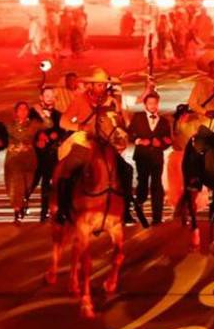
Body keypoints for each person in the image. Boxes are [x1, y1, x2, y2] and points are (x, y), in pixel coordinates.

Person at [58, 68, 136, 225]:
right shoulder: (80, 100)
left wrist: (120, 117)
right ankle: (63, 209)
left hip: (105, 141)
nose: (102, 87)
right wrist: (80, 127)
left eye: (104, 85)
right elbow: (63, 122)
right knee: (68, 170)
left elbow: (120, 123)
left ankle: (125, 210)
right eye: (98, 84)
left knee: (126, 170)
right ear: (91, 85)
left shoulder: (111, 101)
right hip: (84, 140)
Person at [127, 91, 173, 224]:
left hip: (157, 157)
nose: (153, 106)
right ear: (145, 104)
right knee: (142, 183)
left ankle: (157, 217)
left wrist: (162, 144)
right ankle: (139, 205)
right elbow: (130, 134)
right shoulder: (138, 117)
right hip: (142, 156)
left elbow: (168, 140)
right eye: (150, 103)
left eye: (155, 103)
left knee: (156, 185)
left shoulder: (164, 121)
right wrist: (139, 141)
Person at [32, 85, 67, 222]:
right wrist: (39, 136)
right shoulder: (33, 112)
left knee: (51, 183)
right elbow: (27, 129)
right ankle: (23, 202)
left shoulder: (58, 114)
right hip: (36, 154)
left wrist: (56, 135)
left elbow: (62, 131)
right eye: (47, 96)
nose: (50, 99)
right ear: (41, 97)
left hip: (52, 154)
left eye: (52, 96)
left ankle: (46, 210)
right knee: (33, 182)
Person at [3, 101, 41, 222]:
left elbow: (48, 124)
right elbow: (8, 137)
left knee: (28, 186)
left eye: (25, 109)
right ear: (16, 112)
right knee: (16, 184)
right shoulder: (9, 126)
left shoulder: (33, 124)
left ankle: (24, 201)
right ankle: (17, 210)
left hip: (29, 158)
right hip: (13, 159)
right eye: (20, 109)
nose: (23, 111)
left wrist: (40, 112)